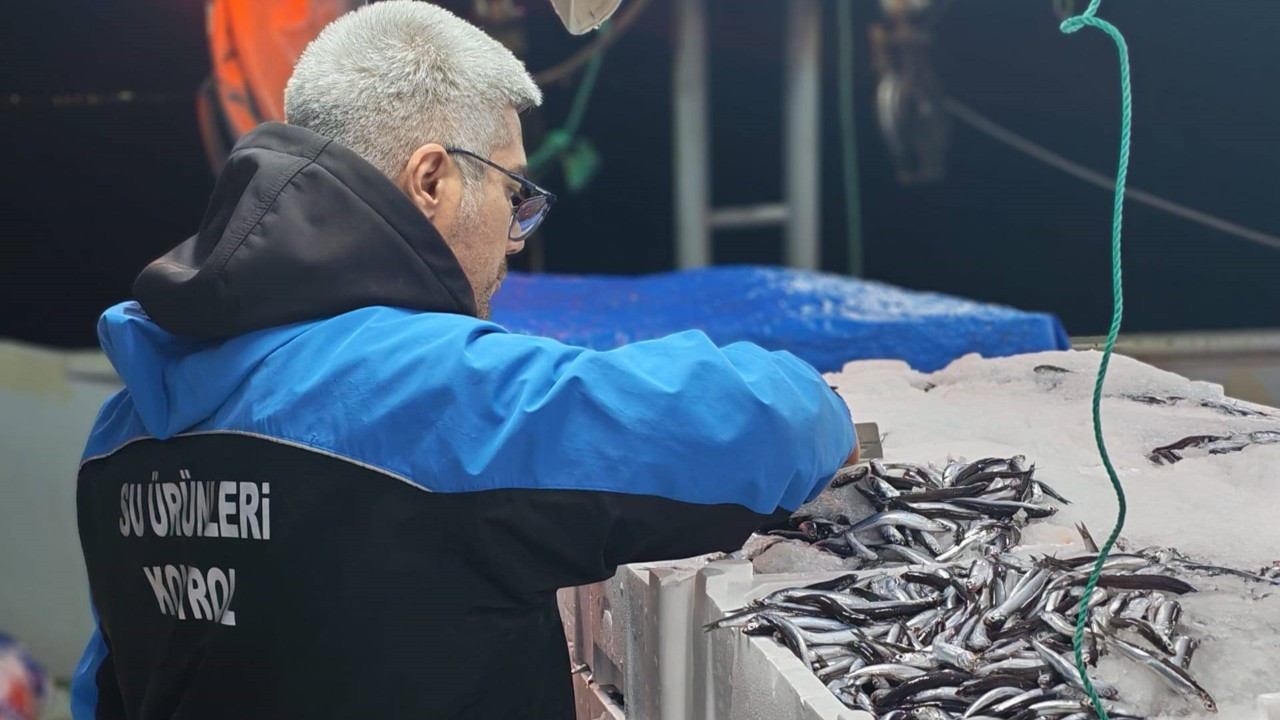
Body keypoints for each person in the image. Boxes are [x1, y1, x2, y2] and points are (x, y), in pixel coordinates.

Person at [71, 2, 857, 718]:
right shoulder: (436, 393)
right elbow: (757, 424)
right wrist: (825, 409)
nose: (518, 236)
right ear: (432, 180)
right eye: (515, 194)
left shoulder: (121, 432)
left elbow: (104, 690)